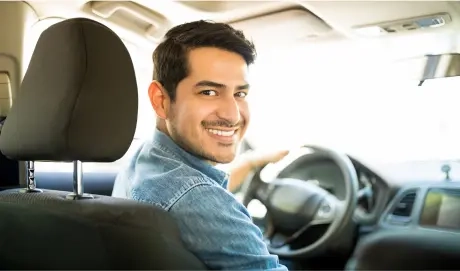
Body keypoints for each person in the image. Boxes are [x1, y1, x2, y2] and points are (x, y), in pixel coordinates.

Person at [112, 20, 289, 270]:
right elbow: (196, 195)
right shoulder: (197, 198)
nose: (233, 115)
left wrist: (250, 162)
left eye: (240, 94)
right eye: (208, 92)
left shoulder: (147, 159)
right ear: (161, 100)